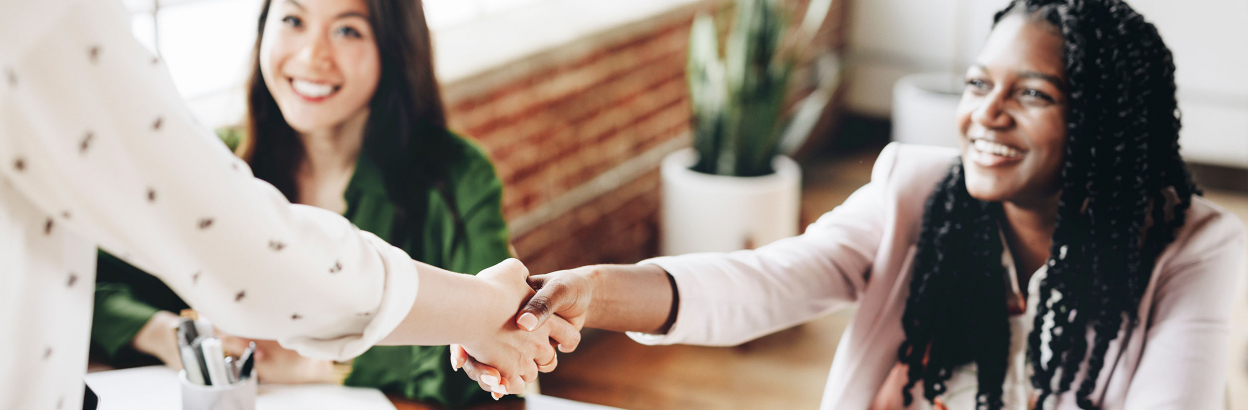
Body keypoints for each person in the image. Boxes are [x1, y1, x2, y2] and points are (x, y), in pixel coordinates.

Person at [453, 0, 1246, 408]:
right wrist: (590, 291)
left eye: (1032, 93)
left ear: (1107, 121)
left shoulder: (1195, 249)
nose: (987, 114)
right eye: (978, 85)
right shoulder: (917, 188)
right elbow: (762, 280)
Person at [0, 0, 572, 408]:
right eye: (293, 19)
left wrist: (317, 364)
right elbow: (116, 271)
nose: (313, 55)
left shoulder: (454, 174)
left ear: (394, 50)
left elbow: (491, 363)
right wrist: (162, 332)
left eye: (349, 31)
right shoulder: (220, 163)